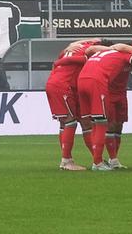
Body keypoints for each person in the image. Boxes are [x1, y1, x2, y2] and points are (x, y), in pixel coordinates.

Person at [76, 42, 132, 170]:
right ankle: (101, 160)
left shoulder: (127, 60)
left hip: (121, 94)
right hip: (107, 93)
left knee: (118, 126)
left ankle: (114, 160)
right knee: (106, 125)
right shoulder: (114, 56)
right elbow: (91, 49)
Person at [44, 39, 97, 171]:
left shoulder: (69, 51)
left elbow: (58, 62)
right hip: (63, 86)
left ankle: (97, 159)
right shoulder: (86, 56)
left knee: (74, 122)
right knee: (70, 122)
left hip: (56, 84)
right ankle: (66, 161)